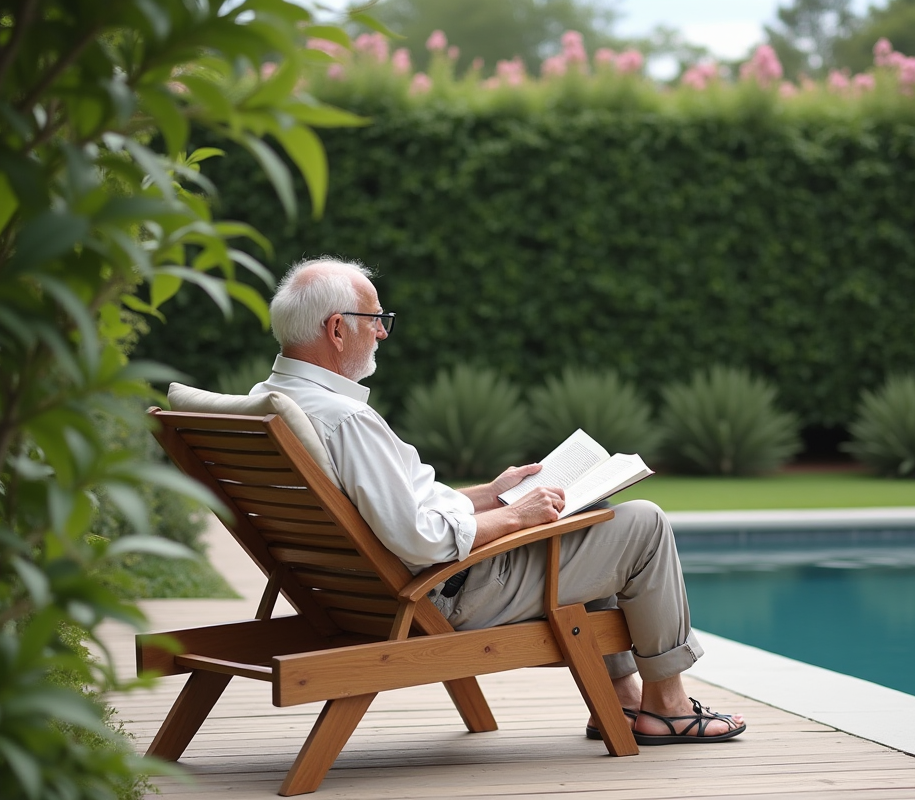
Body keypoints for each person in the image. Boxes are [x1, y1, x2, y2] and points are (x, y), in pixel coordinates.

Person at [251, 256, 745, 744]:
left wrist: (488, 495)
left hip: (354, 598)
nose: (381, 332)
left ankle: (621, 699)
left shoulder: (272, 402)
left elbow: (390, 514)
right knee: (642, 524)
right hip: (443, 595)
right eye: (376, 318)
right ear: (337, 329)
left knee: (590, 524)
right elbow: (419, 539)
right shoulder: (346, 420)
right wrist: (514, 516)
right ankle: (668, 707)